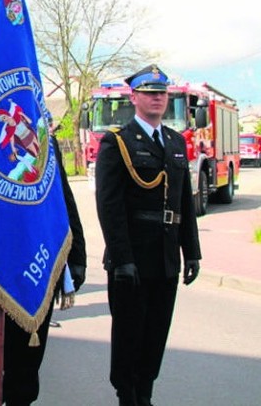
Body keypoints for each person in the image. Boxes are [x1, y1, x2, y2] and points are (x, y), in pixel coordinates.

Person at [95, 64, 201, 406]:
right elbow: (109, 207)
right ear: (134, 97)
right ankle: (128, 396)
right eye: (150, 93)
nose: (157, 98)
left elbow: (184, 201)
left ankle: (145, 394)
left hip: (166, 256)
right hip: (133, 259)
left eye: (162, 93)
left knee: (156, 334)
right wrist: (121, 258)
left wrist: (192, 252)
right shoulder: (118, 142)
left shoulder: (174, 142)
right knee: (129, 335)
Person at [0, 125, 87, 406]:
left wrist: (76, 255)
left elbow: (62, 201)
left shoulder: (45, 143)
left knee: (27, 367)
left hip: (37, 267)